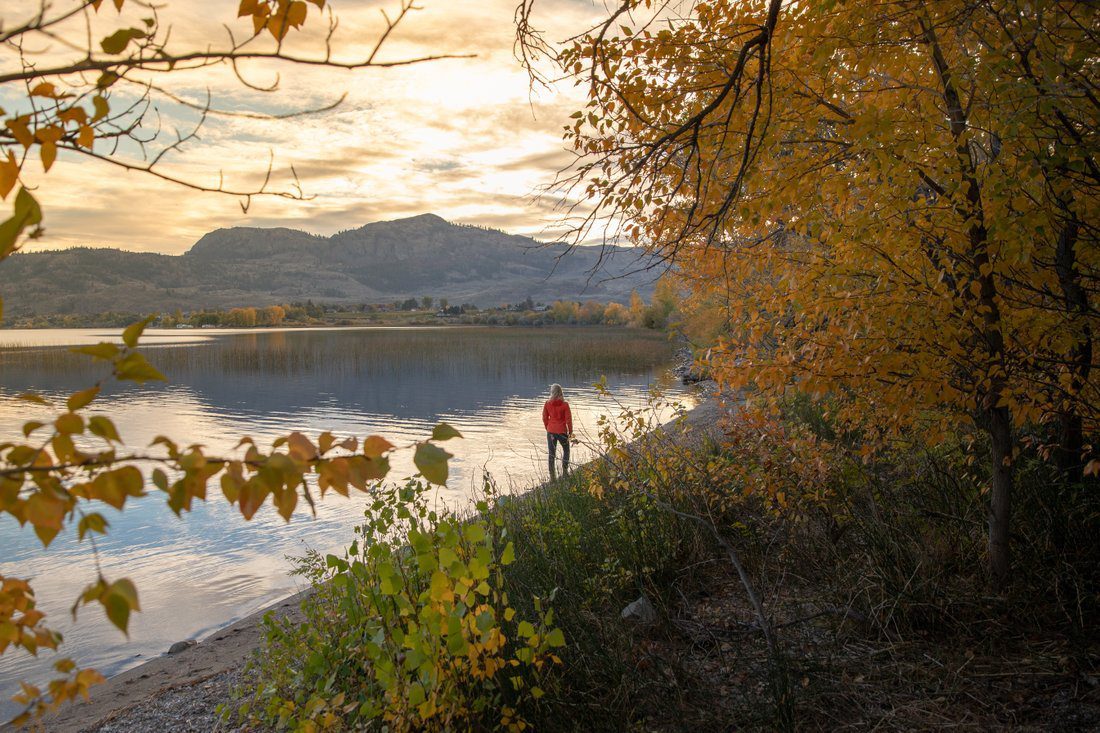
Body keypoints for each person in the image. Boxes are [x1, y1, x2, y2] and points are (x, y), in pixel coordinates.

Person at [542, 383, 573, 478]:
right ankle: (565, 471)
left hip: (551, 431)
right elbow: (568, 419)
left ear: (552, 392)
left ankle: (552, 475)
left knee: (551, 453)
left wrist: (548, 428)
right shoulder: (565, 405)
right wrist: (570, 431)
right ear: (560, 392)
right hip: (562, 431)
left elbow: (544, 417)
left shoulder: (547, 403)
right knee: (566, 451)